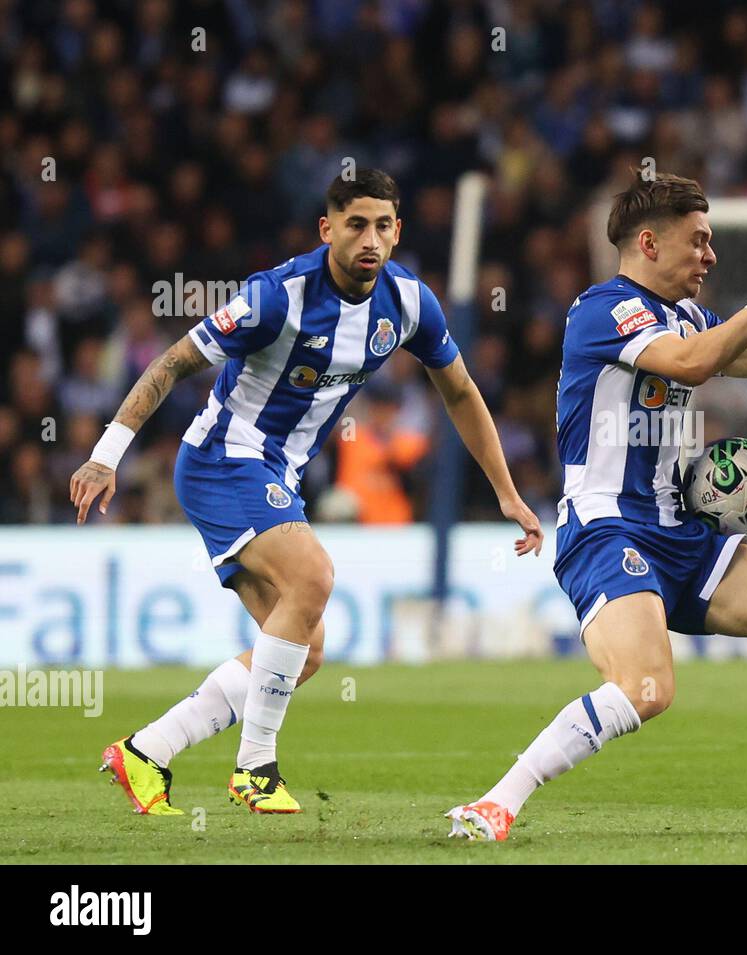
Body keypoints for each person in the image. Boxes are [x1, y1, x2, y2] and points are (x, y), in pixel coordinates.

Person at [72, 169, 542, 815]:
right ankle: (255, 767)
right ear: (328, 230)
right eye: (356, 225)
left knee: (303, 651)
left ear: (398, 231)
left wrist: (506, 493)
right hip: (223, 459)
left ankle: (148, 749)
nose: (370, 238)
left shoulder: (408, 303)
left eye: (383, 225)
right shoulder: (277, 296)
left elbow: (460, 390)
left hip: (276, 475)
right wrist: (105, 456)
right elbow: (174, 359)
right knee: (315, 576)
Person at [446, 174, 747, 839]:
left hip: (683, 534)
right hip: (607, 530)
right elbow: (689, 366)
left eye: (712, 242)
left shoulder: (691, 317)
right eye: (698, 241)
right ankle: (496, 801)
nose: (710, 255)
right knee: (647, 689)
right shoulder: (603, 308)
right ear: (648, 243)